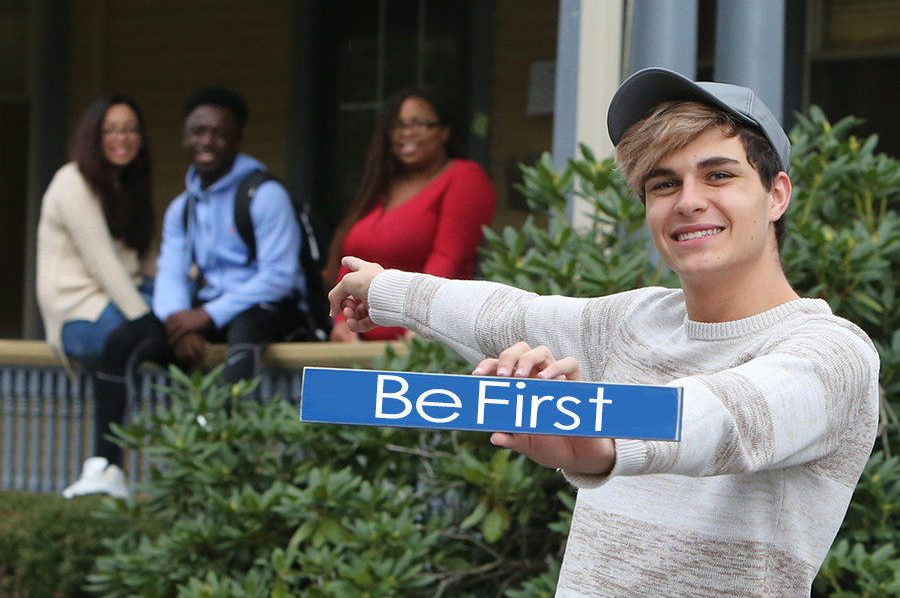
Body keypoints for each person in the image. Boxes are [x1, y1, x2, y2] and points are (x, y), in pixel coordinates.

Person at [328, 68, 880, 596]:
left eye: (718, 175)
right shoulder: (633, 321)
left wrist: (601, 440)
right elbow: (508, 313)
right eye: (664, 184)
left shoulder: (834, 352)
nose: (689, 200)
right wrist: (384, 288)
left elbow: (728, 416)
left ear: (777, 194)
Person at [81, 87, 309, 487]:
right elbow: (170, 272)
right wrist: (177, 322)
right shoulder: (182, 206)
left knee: (246, 332)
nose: (207, 141)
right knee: (123, 340)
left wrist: (204, 316)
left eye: (219, 133)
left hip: (268, 308)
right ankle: (105, 469)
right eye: (198, 131)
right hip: (205, 312)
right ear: (185, 137)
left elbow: (279, 276)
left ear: (236, 139)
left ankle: (225, 470)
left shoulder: (264, 194)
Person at [37, 95, 155, 498]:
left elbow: (143, 260)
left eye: (130, 129)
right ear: (93, 136)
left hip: (121, 297)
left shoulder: (125, 184)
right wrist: (146, 320)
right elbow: (102, 261)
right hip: (78, 312)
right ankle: (104, 466)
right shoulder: (71, 182)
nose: (122, 138)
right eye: (111, 130)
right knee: (140, 338)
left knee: (184, 324)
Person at [325, 86, 496, 342]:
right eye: (398, 125)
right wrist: (343, 321)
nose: (406, 133)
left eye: (418, 124)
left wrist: (418, 324)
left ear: (444, 131)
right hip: (359, 344)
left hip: (420, 342)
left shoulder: (463, 177)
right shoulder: (383, 187)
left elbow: (447, 258)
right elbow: (352, 262)